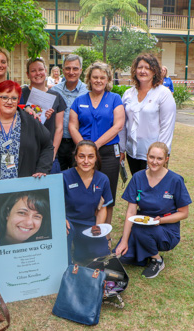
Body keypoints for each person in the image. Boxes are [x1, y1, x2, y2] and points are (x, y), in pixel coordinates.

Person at [115, 142, 192, 278]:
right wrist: (124, 241)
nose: (154, 162)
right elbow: (131, 212)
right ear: (146, 157)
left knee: (139, 230)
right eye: (151, 157)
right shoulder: (138, 177)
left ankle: (157, 259)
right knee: (121, 256)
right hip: (142, 223)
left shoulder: (175, 180)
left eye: (159, 159)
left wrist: (160, 220)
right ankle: (144, 252)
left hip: (166, 228)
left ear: (166, 160)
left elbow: (184, 213)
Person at [69, 61, 124, 225]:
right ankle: (84, 229)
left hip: (107, 153)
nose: (98, 80)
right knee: (83, 192)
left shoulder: (115, 99)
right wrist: (84, 148)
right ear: (89, 79)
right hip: (83, 154)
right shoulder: (79, 101)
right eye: (95, 77)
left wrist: (95, 145)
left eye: (102, 77)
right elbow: (72, 125)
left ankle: (105, 234)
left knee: (107, 195)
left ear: (108, 80)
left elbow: (118, 125)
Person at [0, 80, 54, 181]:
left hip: (23, 189)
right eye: (4, 97)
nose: (9, 102)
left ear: (18, 101)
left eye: (14, 98)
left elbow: (48, 145)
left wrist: (42, 168)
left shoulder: (31, 121)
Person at [119, 53, 176, 175]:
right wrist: (122, 149)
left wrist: (160, 154)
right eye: (140, 67)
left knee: (153, 188)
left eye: (147, 68)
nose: (143, 71)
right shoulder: (128, 94)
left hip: (153, 156)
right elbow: (122, 124)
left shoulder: (163, 94)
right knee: (138, 186)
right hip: (132, 152)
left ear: (155, 71)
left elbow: (167, 126)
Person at [63, 140, 113, 264]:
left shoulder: (102, 179)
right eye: (81, 156)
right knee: (66, 233)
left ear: (96, 158)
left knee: (100, 252)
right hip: (70, 222)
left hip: (89, 224)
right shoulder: (64, 177)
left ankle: (80, 248)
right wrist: (61, 220)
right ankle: (67, 267)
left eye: (90, 156)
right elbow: (56, 204)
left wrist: (97, 226)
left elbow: (103, 208)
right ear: (75, 157)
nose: (86, 161)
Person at [20, 57, 66, 173]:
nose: (38, 73)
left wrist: (53, 153)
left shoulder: (56, 96)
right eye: (33, 70)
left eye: (40, 69)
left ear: (46, 71)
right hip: (25, 153)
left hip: (47, 151)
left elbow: (59, 128)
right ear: (28, 74)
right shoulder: (20, 94)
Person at [51, 54, 89, 171]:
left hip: (79, 141)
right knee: (59, 179)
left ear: (81, 70)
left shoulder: (88, 91)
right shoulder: (54, 91)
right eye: (68, 68)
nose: (71, 72)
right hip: (58, 142)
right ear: (63, 70)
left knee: (79, 178)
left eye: (75, 68)